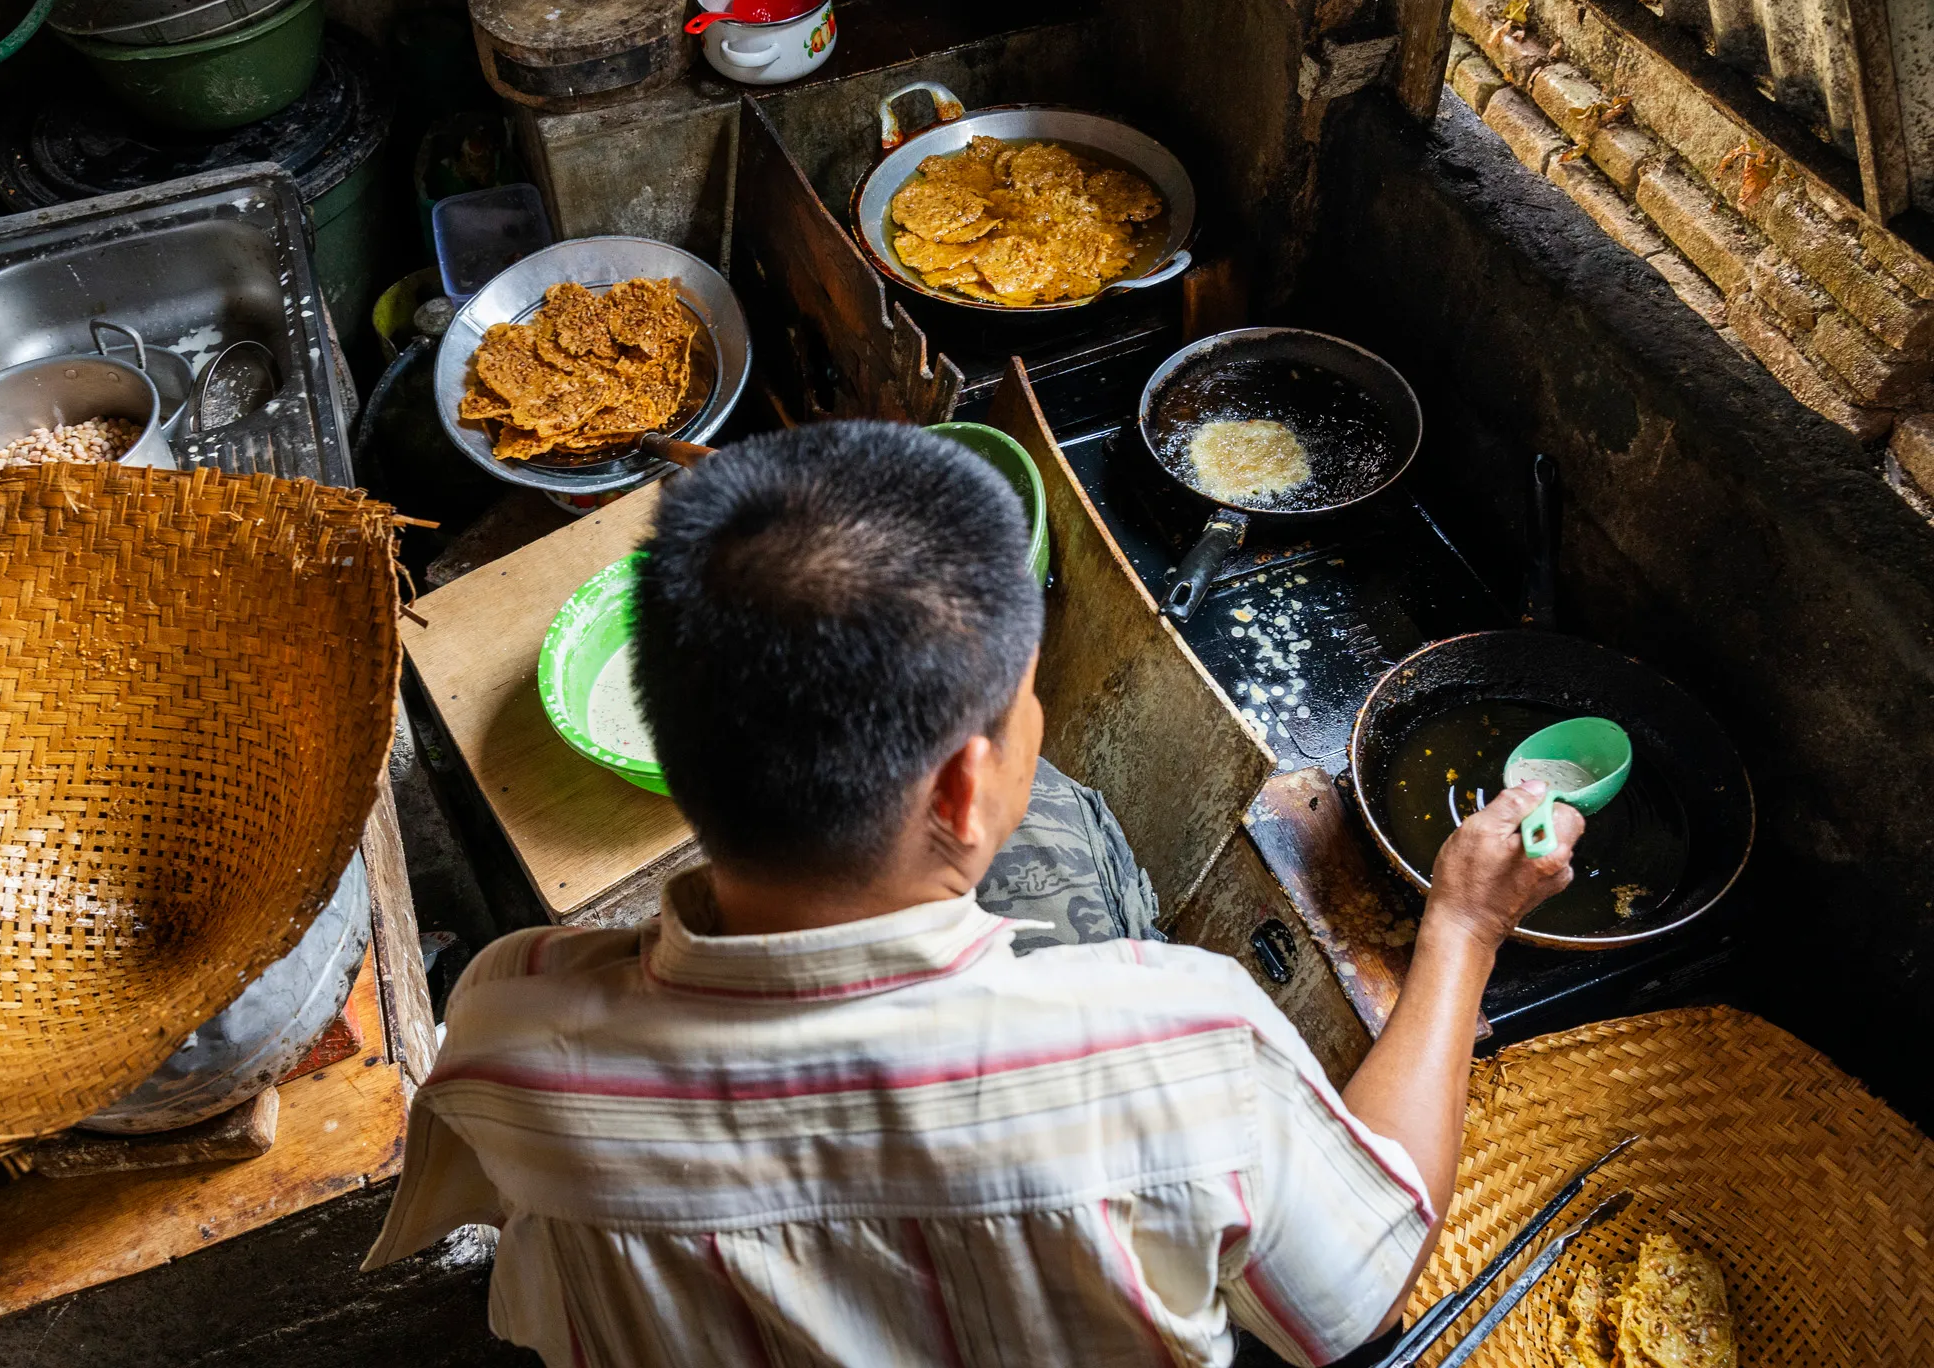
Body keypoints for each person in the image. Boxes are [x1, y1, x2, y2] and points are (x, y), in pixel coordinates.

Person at [364, 422, 1583, 1367]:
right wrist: (1465, 924)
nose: (1032, 730)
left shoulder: (515, 1021)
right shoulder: (1182, 1051)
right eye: (1022, 703)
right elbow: (1361, 1285)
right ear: (962, 784)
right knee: (1075, 827)